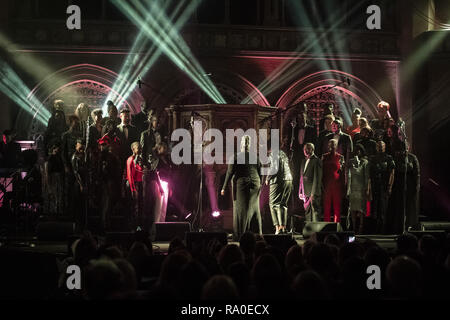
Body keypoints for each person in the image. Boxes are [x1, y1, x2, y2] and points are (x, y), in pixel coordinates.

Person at [221, 135, 262, 240]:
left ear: (241, 144)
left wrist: (223, 187)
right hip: (256, 183)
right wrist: (260, 185)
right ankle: (256, 233)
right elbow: (260, 171)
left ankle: (241, 235)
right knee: (254, 208)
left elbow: (229, 172)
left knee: (241, 209)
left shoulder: (235, 156)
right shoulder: (255, 157)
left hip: (243, 184)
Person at [287, 107, 316, 215]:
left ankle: (307, 206)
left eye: (302, 120)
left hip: (307, 158)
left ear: (306, 119)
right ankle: (297, 206)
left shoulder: (311, 129)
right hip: (297, 159)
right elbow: (291, 144)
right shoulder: (294, 130)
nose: (301, 122)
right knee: (296, 180)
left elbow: (314, 144)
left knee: (307, 180)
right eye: (299, 120)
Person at [390, 141, 420, 233]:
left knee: (410, 206)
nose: (405, 150)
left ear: (409, 148)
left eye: (406, 148)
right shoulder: (398, 158)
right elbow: (397, 169)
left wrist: (417, 185)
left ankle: (409, 226)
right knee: (400, 206)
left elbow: (417, 173)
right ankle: (399, 227)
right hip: (399, 185)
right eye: (403, 148)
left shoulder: (412, 157)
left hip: (410, 186)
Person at [265, 140, 293, 234]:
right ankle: (283, 227)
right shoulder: (283, 154)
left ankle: (277, 228)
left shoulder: (273, 154)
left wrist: (267, 178)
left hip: (278, 181)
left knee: (273, 204)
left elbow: (274, 168)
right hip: (288, 179)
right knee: (283, 204)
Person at [369, 141, 395, 234]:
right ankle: (374, 230)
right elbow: (369, 174)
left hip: (384, 187)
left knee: (383, 209)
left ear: (385, 147)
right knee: (374, 209)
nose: (380, 147)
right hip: (375, 186)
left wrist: (390, 186)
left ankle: (383, 230)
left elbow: (392, 173)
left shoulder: (389, 158)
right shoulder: (372, 158)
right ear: (376, 147)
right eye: (378, 146)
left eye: (382, 146)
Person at [97, 135, 121, 234]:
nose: (101, 146)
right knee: (106, 204)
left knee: (107, 204)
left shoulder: (109, 156)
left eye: (103, 145)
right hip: (106, 182)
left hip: (109, 182)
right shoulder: (103, 156)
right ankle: (105, 225)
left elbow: (115, 170)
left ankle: (106, 224)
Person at [346, 144, 370, 234]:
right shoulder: (351, 161)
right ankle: (353, 226)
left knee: (361, 209)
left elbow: (367, 176)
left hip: (361, 187)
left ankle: (361, 226)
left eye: (359, 150)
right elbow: (348, 175)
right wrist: (348, 190)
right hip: (352, 187)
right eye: (356, 150)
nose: (358, 151)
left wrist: (367, 189)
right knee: (352, 208)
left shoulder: (365, 162)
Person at [322, 139, 345, 223]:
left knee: (337, 206)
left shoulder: (340, 157)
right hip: (326, 185)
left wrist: (343, 185)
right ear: (328, 146)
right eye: (330, 145)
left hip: (337, 185)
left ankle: (336, 225)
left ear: (336, 146)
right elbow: (321, 172)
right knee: (326, 207)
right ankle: (326, 225)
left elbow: (342, 173)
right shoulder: (324, 156)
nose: (332, 147)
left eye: (334, 145)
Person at [299, 143, 322, 222]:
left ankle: (316, 232)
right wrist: (300, 191)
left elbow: (317, 179)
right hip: (305, 193)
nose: (305, 151)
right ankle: (309, 232)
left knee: (315, 214)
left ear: (312, 149)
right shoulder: (303, 161)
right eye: (304, 149)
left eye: (307, 149)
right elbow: (301, 178)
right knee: (308, 214)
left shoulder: (317, 161)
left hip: (313, 193)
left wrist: (313, 194)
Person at [43, 142, 65, 217]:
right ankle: (53, 213)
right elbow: (47, 172)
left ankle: (57, 212)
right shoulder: (50, 158)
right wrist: (49, 185)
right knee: (53, 196)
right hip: (53, 179)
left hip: (57, 178)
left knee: (58, 196)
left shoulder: (59, 157)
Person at [72, 139, 88, 232]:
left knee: (83, 205)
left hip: (84, 183)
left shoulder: (84, 156)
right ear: (76, 146)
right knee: (78, 205)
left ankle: (84, 226)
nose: (81, 147)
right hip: (78, 184)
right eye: (79, 145)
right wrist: (81, 185)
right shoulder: (75, 157)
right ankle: (78, 227)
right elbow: (76, 172)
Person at [127, 142, 144, 229]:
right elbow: (130, 175)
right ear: (133, 149)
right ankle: (132, 226)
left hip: (140, 184)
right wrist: (133, 189)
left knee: (139, 206)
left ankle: (138, 225)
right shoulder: (130, 159)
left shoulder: (140, 159)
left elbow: (141, 172)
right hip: (133, 184)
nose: (140, 149)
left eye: (140, 147)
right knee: (134, 206)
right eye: (138, 148)